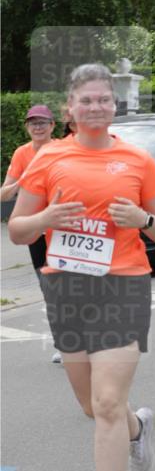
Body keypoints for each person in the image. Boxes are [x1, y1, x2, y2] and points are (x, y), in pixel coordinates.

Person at [9, 63, 155, 471]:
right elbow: (19, 230)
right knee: (93, 406)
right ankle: (138, 427)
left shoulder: (137, 161)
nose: (96, 107)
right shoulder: (47, 160)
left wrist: (144, 218)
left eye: (104, 99)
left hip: (123, 286)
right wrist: (45, 216)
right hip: (66, 290)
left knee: (107, 402)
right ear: (71, 108)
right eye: (87, 100)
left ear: (114, 106)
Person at [1, 104, 62, 362]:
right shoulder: (22, 153)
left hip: (63, 226)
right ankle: (63, 342)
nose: (38, 127)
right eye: (33, 123)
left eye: (43, 122)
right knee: (48, 286)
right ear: (27, 127)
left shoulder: (63, 149)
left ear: (52, 126)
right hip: (36, 225)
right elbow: (4, 194)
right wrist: (22, 180)